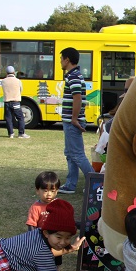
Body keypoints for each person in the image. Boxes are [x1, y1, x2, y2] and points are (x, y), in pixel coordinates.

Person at [57, 47, 94, 194]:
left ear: (67, 60)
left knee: (77, 154)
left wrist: (73, 119)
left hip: (72, 122)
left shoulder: (73, 77)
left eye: (61, 58)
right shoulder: (74, 75)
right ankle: (70, 185)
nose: (60, 61)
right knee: (70, 153)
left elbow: (77, 98)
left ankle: (95, 182)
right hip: (71, 121)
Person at [2, 65, 29, 138]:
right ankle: (21, 133)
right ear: (14, 72)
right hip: (16, 102)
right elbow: (21, 89)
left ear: (6, 73)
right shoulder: (18, 81)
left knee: (8, 118)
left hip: (7, 102)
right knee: (20, 117)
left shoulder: (3, 81)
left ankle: (11, 134)